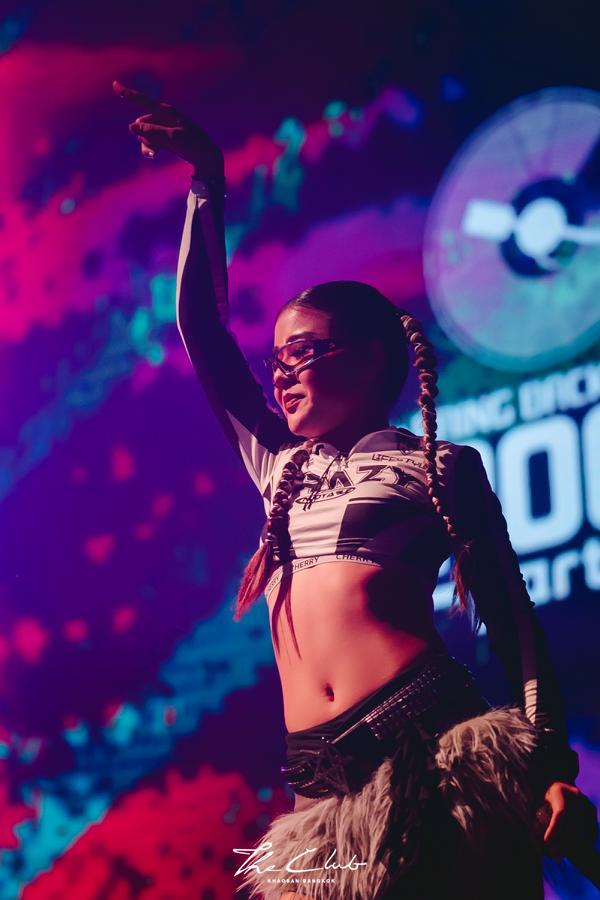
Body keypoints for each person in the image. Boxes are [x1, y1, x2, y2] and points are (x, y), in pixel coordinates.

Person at [113, 81, 598, 899]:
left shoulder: (440, 467)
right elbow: (202, 330)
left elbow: (516, 623)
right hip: (318, 792)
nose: (281, 374)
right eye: (275, 359)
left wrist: (552, 767)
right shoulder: (275, 463)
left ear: (370, 360)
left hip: (435, 757)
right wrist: (206, 182)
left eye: (302, 352)